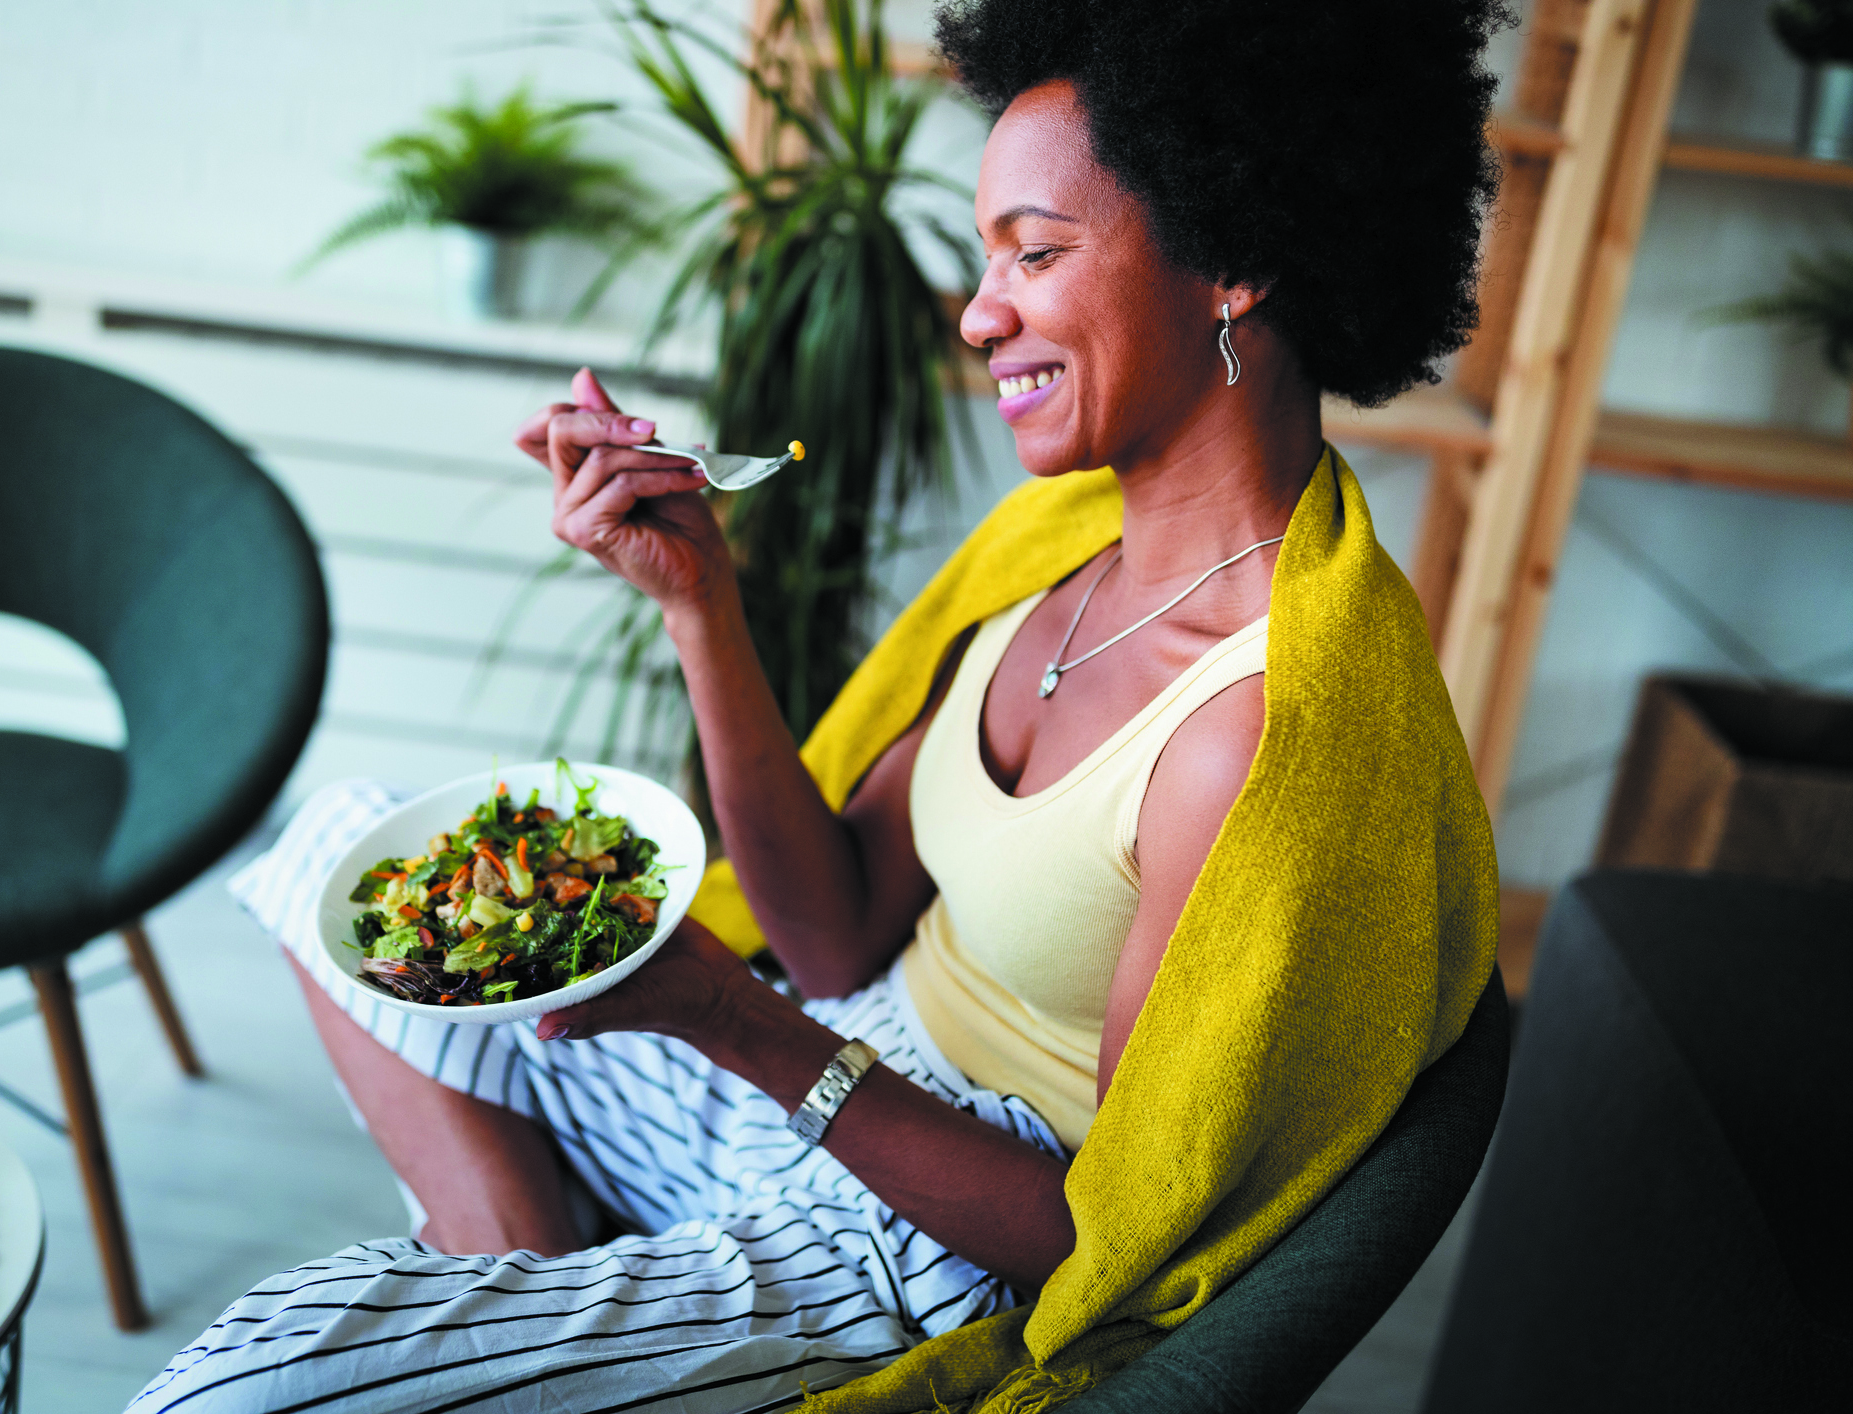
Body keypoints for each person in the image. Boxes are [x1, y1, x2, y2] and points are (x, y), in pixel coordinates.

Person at [131, 1, 1504, 1409]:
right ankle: (524, 1277)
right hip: (806, 1070)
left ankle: (531, 1330)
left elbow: (1098, 1245)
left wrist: (733, 1019)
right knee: (338, 848)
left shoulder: (1255, 733)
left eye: (1035, 253)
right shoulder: (1061, 549)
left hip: (919, 1236)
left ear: (1236, 262)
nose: (980, 314)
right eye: (989, 258)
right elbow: (834, 931)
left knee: (245, 1385)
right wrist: (698, 602)